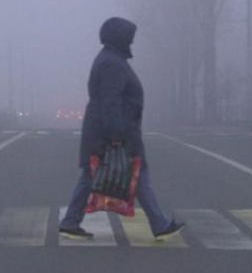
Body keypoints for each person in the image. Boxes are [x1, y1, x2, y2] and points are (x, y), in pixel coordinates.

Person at [59, 16, 184, 240]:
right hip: (116, 131)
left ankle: (70, 222)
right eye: (129, 37)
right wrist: (116, 134)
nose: (132, 42)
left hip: (109, 129)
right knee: (137, 173)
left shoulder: (112, 59)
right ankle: (160, 224)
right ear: (119, 38)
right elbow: (111, 100)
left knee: (93, 174)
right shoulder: (112, 63)